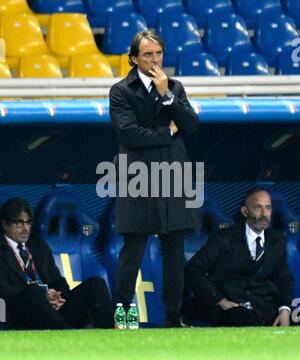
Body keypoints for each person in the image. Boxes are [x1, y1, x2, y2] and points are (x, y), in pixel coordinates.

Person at [109, 30, 200, 327]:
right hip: (137, 177)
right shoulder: (121, 90)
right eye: (147, 54)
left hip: (173, 175)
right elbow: (130, 135)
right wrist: (169, 132)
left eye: (158, 53)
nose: (154, 60)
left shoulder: (174, 86)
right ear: (134, 58)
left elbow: (192, 124)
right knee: (133, 247)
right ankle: (123, 314)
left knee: (174, 249)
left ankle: (173, 319)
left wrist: (167, 95)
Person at [184, 188, 293, 327]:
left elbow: (283, 279)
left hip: (264, 309)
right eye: (258, 208)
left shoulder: (277, 240)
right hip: (229, 310)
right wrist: (221, 301)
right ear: (245, 211)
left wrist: (285, 310)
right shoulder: (224, 238)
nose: (264, 214)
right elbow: (193, 270)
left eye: (268, 208)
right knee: (244, 319)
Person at [0, 197, 114, 330]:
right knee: (33, 292)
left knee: (96, 284)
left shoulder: (38, 247)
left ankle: (110, 335)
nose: (25, 229)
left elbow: (58, 281)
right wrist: (43, 296)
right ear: (5, 224)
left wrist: (58, 297)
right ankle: (67, 334)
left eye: (28, 223)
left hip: (53, 310)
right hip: (22, 314)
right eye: (19, 223)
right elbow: (4, 292)